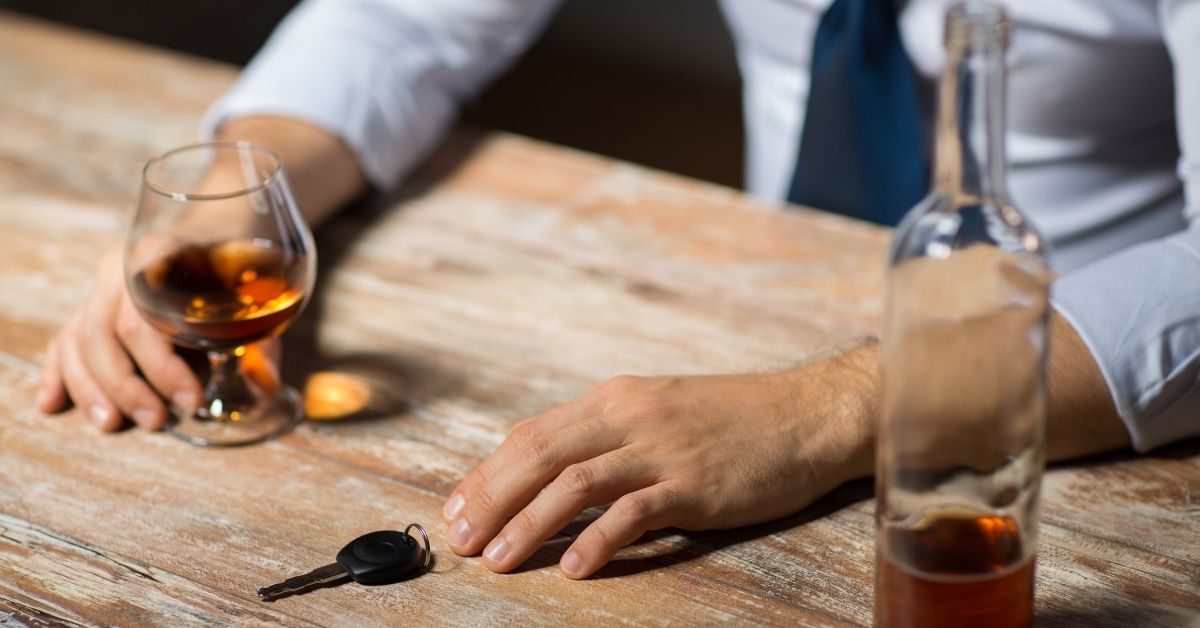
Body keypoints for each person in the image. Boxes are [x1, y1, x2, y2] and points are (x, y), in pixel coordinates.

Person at [36, 0, 1200, 580]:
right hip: (740, 292)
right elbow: (398, 22)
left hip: (1078, 385)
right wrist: (237, 203)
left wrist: (840, 409)